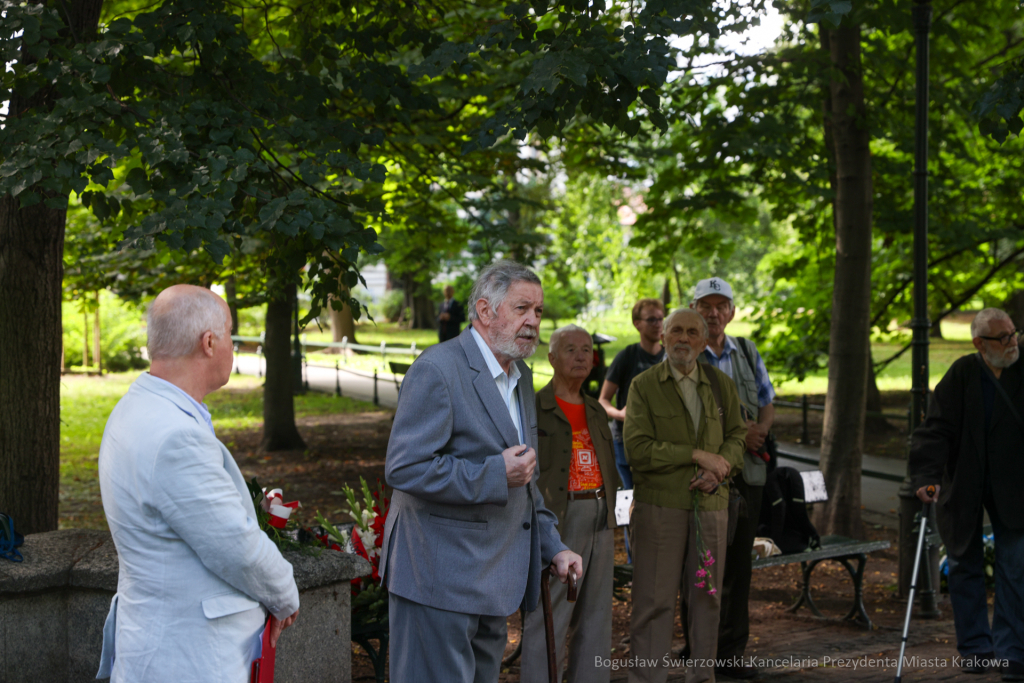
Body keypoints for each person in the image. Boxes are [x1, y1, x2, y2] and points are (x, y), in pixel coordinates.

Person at [382, 261, 584, 683]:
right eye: (522, 308)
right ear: (485, 311)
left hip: (495, 582)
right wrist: (494, 474)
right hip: (437, 578)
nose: (533, 321)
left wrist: (554, 546)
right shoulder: (438, 369)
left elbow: (524, 480)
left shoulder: (521, 375)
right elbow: (404, 468)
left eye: (539, 311)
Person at [96, 285, 300, 683]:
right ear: (209, 343)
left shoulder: (135, 406)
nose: (233, 347)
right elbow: (236, 546)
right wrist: (284, 593)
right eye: (229, 334)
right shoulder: (174, 436)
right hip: (188, 658)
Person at [624, 308, 746, 683]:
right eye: (675, 330)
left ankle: (702, 677)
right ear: (663, 336)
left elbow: (738, 437)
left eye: (693, 332)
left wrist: (720, 468)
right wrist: (694, 455)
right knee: (653, 602)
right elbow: (638, 450)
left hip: (711, 508)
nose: (683, 338)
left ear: (704, 340)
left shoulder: (721, 385)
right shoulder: (643, 386)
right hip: (659, 510)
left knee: (707, 600)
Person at [910, 308, 1024, 681]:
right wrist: (927, 475)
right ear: (979, 343)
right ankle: (976, 648)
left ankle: (1011, 653)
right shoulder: (962, 373)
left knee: (1015, 567)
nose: (1012, 342)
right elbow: (936, 429)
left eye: (1013, 333)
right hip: (965, 481)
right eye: (1003, 337)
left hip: (1015, 484)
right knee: (963, 564)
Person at [520, 325, 622, 683]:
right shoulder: (533, 408)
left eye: (587, 350)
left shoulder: (596, 410)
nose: (581, 356)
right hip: (557, 520)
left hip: (600, 517)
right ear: (551, 358)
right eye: (570, 350)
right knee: (549, 615)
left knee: (595, 615)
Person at [686, 276, 776, 681]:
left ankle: (731, 652)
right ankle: (696, 648)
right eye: (706, 305)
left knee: (740, 564)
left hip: (748, 475)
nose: (713, 312)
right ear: (694, 309)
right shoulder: (685, 352)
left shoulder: (747, 350)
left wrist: (760, 429)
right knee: (701, 563)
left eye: (721, 305)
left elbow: (766, 398)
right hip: (707, 475)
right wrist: (744, 431)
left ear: (732, 312)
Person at [599, 297, 666, 560]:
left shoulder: (670, 355)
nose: (658, 324)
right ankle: (634, 561)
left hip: (662, 446)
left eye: (661, 318)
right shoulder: (627, 356)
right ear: (637, 323)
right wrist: (621, 414)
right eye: (651, 319)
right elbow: (603, 401)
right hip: (626, 443)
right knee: (631, 503)